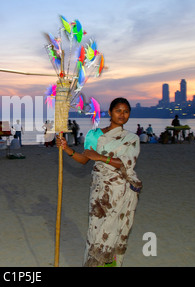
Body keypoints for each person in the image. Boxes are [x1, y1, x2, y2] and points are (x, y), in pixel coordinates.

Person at [56, 97, 142, 267]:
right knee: (96, 230)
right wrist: (67, 148)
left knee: (115, 231)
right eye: (118, 110)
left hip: (120, 192)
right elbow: (84, 159)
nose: (122, 114)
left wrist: (101, 157)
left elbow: (127, 163)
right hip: (100, 191)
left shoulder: (131, 138)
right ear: (110, 112)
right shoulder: (94, 134)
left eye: (126, 111)